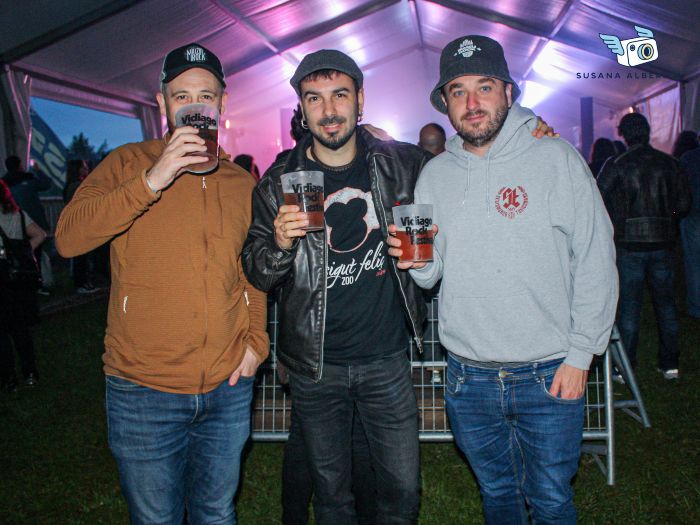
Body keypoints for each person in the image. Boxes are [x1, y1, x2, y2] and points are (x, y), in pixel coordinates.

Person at [388, 35, 618, 524]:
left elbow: (596, 256)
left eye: (485, 87)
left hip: (548, 372)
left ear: (509, 92)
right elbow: (431, 277)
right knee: (497, 495)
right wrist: (415, 261)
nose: (472, 103)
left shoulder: (556, 158)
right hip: (468, 377)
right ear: (446, 103)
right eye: (458, 91)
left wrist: (582, 355)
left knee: (551, 500)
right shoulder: (436, 175)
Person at [54, 43, 269, 524]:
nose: (195, 106)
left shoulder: (242, 183)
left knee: (216, 513)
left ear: (222, 103)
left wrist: (256, 341)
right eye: (182, 96)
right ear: (162, 104)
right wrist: (153, 179)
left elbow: (250, 271)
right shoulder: (127, 163)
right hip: (142, 390)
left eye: (205, 96)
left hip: (227, 385)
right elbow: (67, 239)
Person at [598, 112, 691, 379]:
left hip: (629, 243)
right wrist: (668, 218)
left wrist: (617, 220)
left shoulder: (617, 163)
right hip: (663, 242)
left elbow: (598, 195)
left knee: (629, 306)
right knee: (666, 305)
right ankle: (670, 364)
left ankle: (625, 367)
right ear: (648, 132)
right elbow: (684, 204)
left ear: (624, 134)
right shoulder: (670, 163)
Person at [0, 180, 46, 392]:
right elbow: (40, 234)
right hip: (19, 279)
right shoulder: (17, 214)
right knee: (21, 328)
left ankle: (9, 378)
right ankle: (30, 373)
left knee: (2, 332)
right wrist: (23, 252)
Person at [3, 155, 52, 295]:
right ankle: (37, 283)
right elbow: (47, 184)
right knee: (36, 253)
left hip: (14, 225)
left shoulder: (5, 183)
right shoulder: (29, 180)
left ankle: (24, 284)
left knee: (21, 255)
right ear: (19, 165)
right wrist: (37, 170)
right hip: (33, 223)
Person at [63, 159, 100, 294]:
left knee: (82, 255)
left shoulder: (72, 185)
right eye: (83, 167)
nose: (86, 169)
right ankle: (82, 283)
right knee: (82, 255)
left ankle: (84, 282)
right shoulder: (77, 186)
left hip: (78, 223)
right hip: (80, 223)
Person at [680, 143, 700, 318]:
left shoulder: (689, 158)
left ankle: (696, 307)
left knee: (693, 262)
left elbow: (680, 187)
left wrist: (678, 212)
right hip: (692, 213)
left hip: (693, 213)